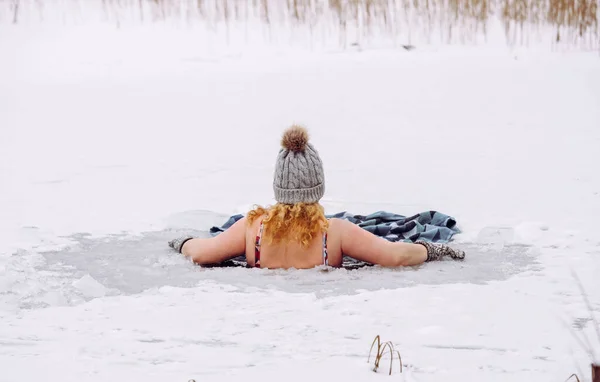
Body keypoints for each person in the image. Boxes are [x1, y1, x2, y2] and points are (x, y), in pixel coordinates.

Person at [168, 125, 465, 269]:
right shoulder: (333, 232)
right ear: (317, 186)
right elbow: (396, 255)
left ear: (278, 186)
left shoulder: (253, 227)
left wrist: (182, 242)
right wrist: (434, 250)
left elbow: (202, 253)